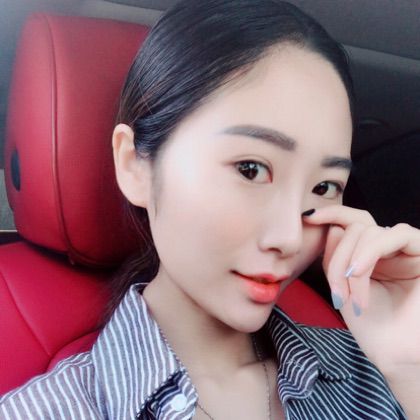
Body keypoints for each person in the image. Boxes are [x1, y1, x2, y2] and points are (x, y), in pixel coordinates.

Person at [1, 0, 420, 419]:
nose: (290, 239)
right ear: (134, 165)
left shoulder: (369, 371)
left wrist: (408, 371)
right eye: (251, 169)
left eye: (324, 187)